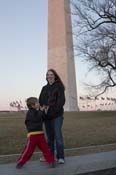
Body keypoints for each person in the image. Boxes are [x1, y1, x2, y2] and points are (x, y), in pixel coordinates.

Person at [16, 97, 55, 169]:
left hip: (40, 134)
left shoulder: (37, 112)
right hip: (33, 135)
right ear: (32, 105)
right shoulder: (30, 112)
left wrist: (44, 111)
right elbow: (36, 118)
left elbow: (42, 118)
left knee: (45, 148)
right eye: (37, 103)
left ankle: (51, 161)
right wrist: (41, 111)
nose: (39, 104)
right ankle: (20, 162)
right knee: (29, 150)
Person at [39, 69, 65, 164]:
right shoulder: (44, 88)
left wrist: (51, 110)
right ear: (46, 77)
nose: (49, 76)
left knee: (58, 136)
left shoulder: (59, 86)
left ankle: (60, 157)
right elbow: (41, 100)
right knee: (49, 138)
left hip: (57, 115)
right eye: (48, 75)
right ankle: (49, 156)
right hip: (47, 116)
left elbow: (61, 101)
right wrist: (43, 108)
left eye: (51, 74)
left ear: (55, 76)